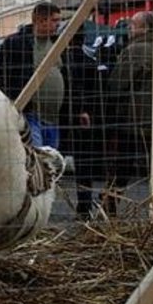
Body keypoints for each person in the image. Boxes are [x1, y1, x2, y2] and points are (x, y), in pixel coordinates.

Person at [0, 1, 65, 148]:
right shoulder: (16, 44)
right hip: (29, 116)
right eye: (55, 20)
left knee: (50, 163)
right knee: (35, 161)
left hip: (54, 119)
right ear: (40, 20)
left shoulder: (58, 44)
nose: (58, 25)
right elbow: (0, 77)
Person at [104, 11, 153, 214]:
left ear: (145, 28)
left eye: (133, 24)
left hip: (134, 116)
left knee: (124, 161)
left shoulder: (136, 50)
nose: (130, 28)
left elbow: (117, 83)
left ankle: (112, 198)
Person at [59, 24, 107, 218]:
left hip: (63, 116)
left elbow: (78, 89)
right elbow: (93, 91)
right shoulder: (88, 60)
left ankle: (82, 204)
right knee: (84, 162)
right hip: (82, 118)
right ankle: (84, 204)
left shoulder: (61, 61)